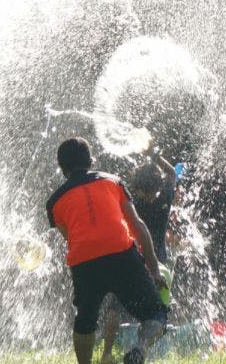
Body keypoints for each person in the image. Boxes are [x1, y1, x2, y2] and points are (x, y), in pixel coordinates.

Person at [46, 137, 169, 364]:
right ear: (91, 160)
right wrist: (154, 270)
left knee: (85, 321)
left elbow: (71, 237)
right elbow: (138, 226)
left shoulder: (54, 202)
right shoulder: (113, 182)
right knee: (156, 314)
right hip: (122, 254)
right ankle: (140, 348)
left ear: (61, 167)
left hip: (84, 262)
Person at [99, 143, 178, 364]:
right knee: (157, 313)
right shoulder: (164, 198)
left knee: (115, 307)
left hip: (129, 261)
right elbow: (172, 173)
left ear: (136, 185)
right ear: (158, 185)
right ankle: (140, 347)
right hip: (158, 267)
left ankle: (106, 354)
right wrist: (154, 155)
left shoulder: (129, 202)